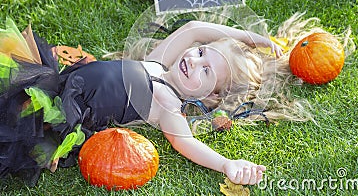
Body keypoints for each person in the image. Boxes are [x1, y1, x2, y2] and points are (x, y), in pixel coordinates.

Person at [0, 16, 283, 187]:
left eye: (206, 71)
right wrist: (251, 38)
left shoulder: (168, 106)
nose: (193, 61)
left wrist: (226, 164)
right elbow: (194, 29)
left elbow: (187, 143)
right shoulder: (157, 63)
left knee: (11, 128)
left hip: (59, 117)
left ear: (210, 96)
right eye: (200, 53)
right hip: (54, 84)